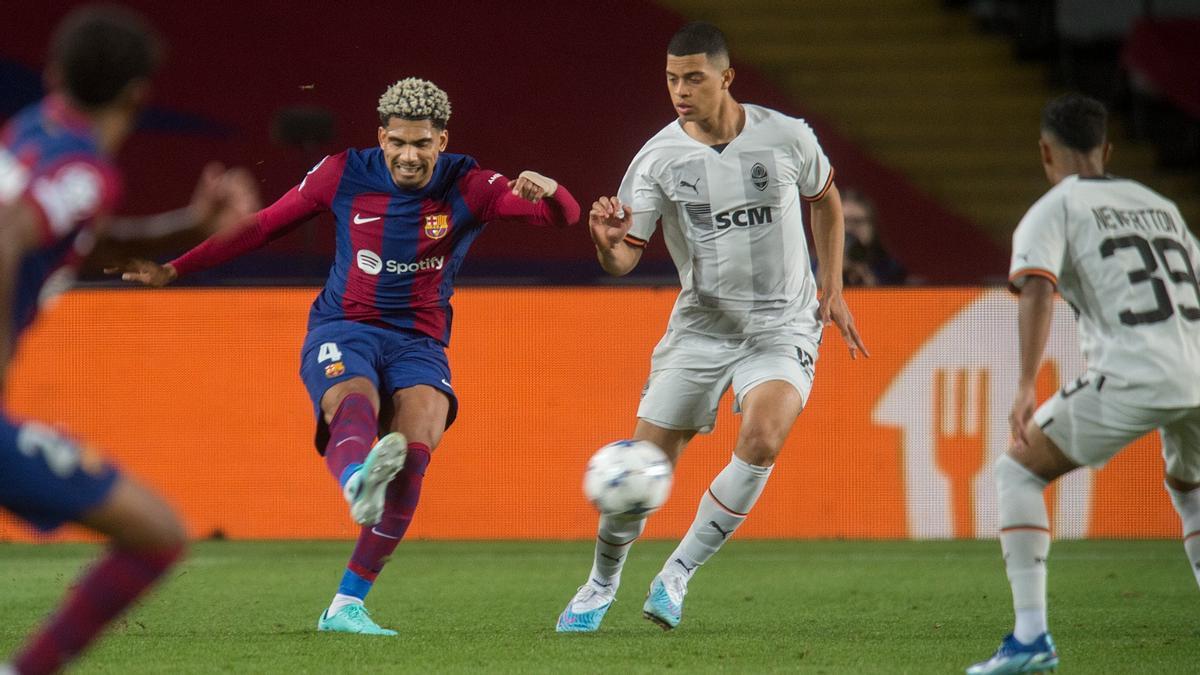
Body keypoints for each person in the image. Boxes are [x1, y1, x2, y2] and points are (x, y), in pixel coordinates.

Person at [112, 77, 581, 636]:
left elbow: (565, 218)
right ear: (381, 137)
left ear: (442, 140)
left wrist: (549, 189)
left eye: (422, 144)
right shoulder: (342, 173)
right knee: (352, 399)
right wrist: (175, 268)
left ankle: (346, 605)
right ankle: (358, 479)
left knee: (416, 449)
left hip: (419, 342)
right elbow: (263, 226)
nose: (410, 156)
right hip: (345, 326)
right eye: (399, 142)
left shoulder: (470, 185)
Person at [556, 21, 868, 633]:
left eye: (693, 77)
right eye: (672, 79)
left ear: (726, 78)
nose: (680, 90)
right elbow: (625, 258)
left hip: (782, 324)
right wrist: (606, 245)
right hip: (701, 327)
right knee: (642, 466)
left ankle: (676, 575)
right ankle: (600, 584)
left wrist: (832, 287)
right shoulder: (656, 158)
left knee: (763, 438)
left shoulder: (787, 137)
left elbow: (825, 200)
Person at [0, 6, 258, 674]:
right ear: (140, 92)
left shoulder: (30, 132)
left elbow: (83, 236)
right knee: (156, 533)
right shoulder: (86, 169)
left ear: (54, 74)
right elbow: (9, 232)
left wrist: (192, 225)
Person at [967, 93, 1200, 674]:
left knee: (1017, 469)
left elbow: (1038, 285)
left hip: (1137, 370)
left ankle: (1030, 640)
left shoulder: (1057, 206)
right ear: (1107, 149)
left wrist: (1025, 384)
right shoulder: (1161, 205)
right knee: (1189, 485)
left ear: (1046, 151)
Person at [840, 188, 906, 286]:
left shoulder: (891, 269)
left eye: (857, 221)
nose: (849, 229)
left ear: (872, 226)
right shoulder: (811, 267)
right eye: (842, 222)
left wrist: (871, 285)